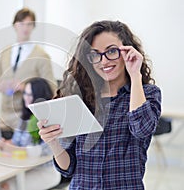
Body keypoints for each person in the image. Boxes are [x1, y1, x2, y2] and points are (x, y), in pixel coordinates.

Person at [37, 20, 162, 189]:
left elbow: (142, 129)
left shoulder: (146, 93)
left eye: (111, 51)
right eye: (95, 54)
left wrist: (135, 75)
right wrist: (53, 142)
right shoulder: (79, 98)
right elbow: (68, 168)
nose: (103, 62)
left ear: (128, 51)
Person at [0, 8, 56, 139]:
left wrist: (25, 88)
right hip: (4, 119)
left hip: (25, 120)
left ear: (33, 26)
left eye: (29, 24)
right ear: (15, 25)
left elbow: (51, 88)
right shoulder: (5, 52)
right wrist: (3, 86)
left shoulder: (41, 56)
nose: (25, 28)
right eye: (22, 24)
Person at [0, 78, 61, 190]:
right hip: (23, 168)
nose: (26, 97)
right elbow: (16, 142)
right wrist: (6, 144)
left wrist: (13, 149)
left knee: (5, 187)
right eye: (25, 93)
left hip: (44, 171)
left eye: (31, 95)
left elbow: (46, 151)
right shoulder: (25, 116)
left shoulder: (49, 119)